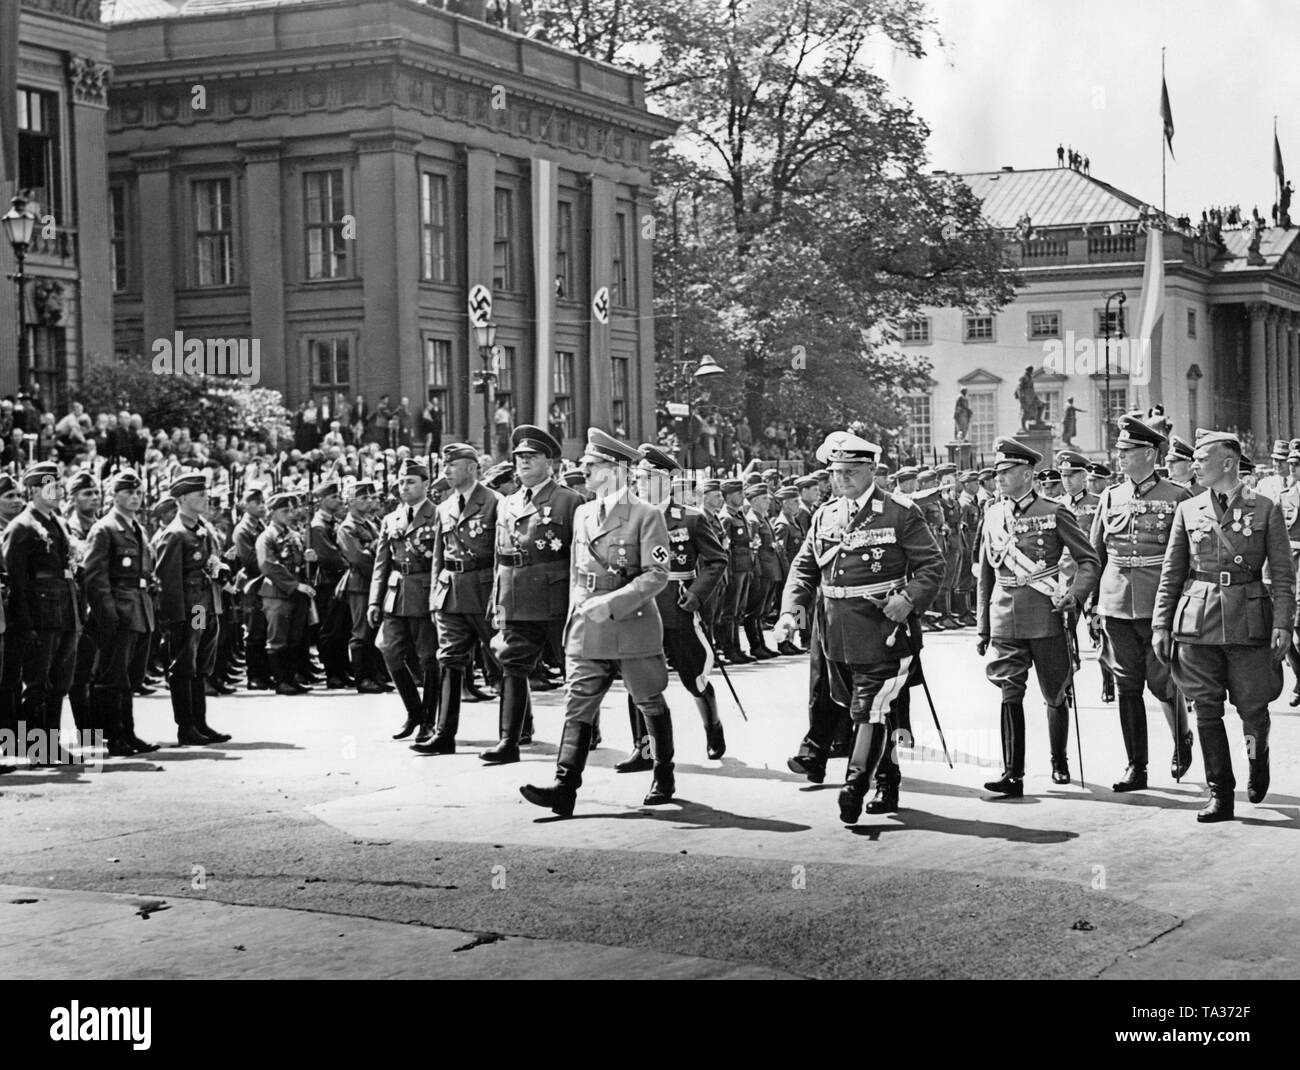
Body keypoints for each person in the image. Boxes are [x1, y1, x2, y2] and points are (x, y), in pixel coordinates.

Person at [775, 431, 944, 823]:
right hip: (836, 635)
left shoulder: (900, 512)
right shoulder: (826, 514)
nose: (842, 479)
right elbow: (804, 570)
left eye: (851, 472)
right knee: (867, 711)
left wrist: (908, 600)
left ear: (871, 470)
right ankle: (888, 776)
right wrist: (790, 614)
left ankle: (855, 786)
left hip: (881, 629)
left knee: (872, 709)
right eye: (836, 473)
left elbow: (932, 566)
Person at [519, 428, 673, 816]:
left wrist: (613, 603)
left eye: (592, 465)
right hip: (588, 623)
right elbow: (576, 571)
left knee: (648, 699)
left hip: (631, 622)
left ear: (615, 469)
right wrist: (577, 610)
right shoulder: (584, 512)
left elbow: (656, 573)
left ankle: (663, 771)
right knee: (577, 703)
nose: (583, 471)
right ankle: (564, 786)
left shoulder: (646, 514)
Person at [1152, 429, 1294, 823]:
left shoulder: (1265, 508)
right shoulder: (1189, 509)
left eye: (1203, 457)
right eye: (1194, 458)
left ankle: (1258, 752)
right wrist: (1161, 625)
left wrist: (1283, 622)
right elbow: (1172, 572)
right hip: (1198, 621)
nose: (1194, 464)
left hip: (1250, 621)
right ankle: (1220, 794)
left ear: (1228, 462)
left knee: (1252, 706)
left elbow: (1283, 575)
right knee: (1206, 709)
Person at [976, 437, 1099, 795]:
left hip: (1047, 615)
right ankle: (1012, 773)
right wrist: (983, 626)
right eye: (997, 470)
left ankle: (1058, 759)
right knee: (1009, 691)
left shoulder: (1053, 510)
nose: (999, 477)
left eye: (1008, 470)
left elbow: (1089, 561)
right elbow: (985, 574)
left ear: (1028, 473)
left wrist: (1074, 596)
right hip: (1005, 618)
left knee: (1055, 692)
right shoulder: (993, 515)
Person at [1090, 417, 1193, 792]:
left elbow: (1186, 559)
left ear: (1149, 453)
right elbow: (1096, 554)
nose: (1119, 456)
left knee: (1163, 683)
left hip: (1158, 606)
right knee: (1127, 686)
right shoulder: (1110, 496)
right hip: (1116, 604)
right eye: (1119, 450)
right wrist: (1089, 602)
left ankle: (1182, 738)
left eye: (1126, 450)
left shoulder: (1177, 496)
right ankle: (1136, 766)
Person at [619, 443, 729, 765]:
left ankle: (713, 725)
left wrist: (695, 595)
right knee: (637, 681)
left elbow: (715, 561)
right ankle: (643, 747)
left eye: (647, 477)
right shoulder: (629, 517)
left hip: (677, 609)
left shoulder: (690, 519)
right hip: (640, 608)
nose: (639, 483)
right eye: (637, 478)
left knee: (694, 677)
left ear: (665, 480)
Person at [481, 426, 583, 764]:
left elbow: (580, 553)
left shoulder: (568, 500)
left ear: (549, 462)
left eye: (531, 457)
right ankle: (510, 740)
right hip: (516, 595)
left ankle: (586, 729)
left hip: (556, 595)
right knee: (513, 664)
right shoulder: (508, 502)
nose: (523, 463)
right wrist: (498, 597)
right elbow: (500, 554)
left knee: (574, 667)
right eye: (519, 458)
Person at [415, 443, 501, 755]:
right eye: (445, 466)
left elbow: (499, 554)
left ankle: (518, 727)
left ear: (472, 468)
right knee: (449, 659)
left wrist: (499, 594)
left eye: (453, 465)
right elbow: (438, 554)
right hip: (451, 591)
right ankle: (443, 734)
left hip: (483, 591)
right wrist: (435, 597)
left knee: (503, 657)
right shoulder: (444, 507)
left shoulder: (494, 502)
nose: (447, 472)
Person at [2, 462, 83, 766]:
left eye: (59, 485)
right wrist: (25, 622)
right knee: (37, 683)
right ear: (34, 490)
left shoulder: (56, 522)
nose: (58, 491)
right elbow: (17, 580)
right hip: (39, 615)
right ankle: (37, 746)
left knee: (59, 681)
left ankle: (51, 743)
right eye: (51, 485)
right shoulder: (22, 526)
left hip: (63, 611)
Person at [83, 469, 158, 757]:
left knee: (130, 676)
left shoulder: (137, 527)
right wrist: (108, 614)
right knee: (113, 676)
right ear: (114, 496)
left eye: (138, 492)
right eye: (129, 492)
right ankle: (113, 736)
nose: (135, 497)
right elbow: (95, 577)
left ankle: (127, 732)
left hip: (138, 607)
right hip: (119, 607)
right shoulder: (105, 529)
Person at [367, 458, 441, 743]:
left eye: (410, 482)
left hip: (424, 593)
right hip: (395, 594)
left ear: (426, 484)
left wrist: (437, 598)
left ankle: (429, 721)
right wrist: (375, 601)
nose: (404, 487)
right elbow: (380, 564)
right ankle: (414, 712)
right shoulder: (391, 519)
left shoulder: (438, 515)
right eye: (400, 482)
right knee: (389, 651)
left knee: (428, 657)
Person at [154, 471, 229, 746]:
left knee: (201, 664)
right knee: (186, 662)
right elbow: (167, 579)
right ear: (183, 498)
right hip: (191, 607)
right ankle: (186, 726)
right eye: (200, 495)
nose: (206, 498)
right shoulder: (175, 534)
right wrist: (175, 618)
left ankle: (200, 722)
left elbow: (212, 559)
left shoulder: (202, 529)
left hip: (207, 603)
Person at [257, 492, 315, 697]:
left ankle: (291, 679)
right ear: (272, 513)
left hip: (295, 593)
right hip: (277, 593)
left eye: (291, 510)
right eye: (284, 511)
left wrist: (309, 558)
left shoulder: (293, 534)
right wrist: (294, 585)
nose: (289, 514)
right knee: (277, 639)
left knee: (294, 638)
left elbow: (299, 561)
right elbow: (267, 564)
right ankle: (281, 681)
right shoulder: (267, 536)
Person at [336, 479, 387, 693]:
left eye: (370, 497)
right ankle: (362, 678)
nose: (369, 501)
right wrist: (377, 570)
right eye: (363, 498)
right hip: (360, 584)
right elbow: (358, 557)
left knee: (373, 630)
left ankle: (374, 674)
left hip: (371, 582)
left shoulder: (369, 524)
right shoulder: (348, 527)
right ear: (350, 501)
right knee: (361, 631)